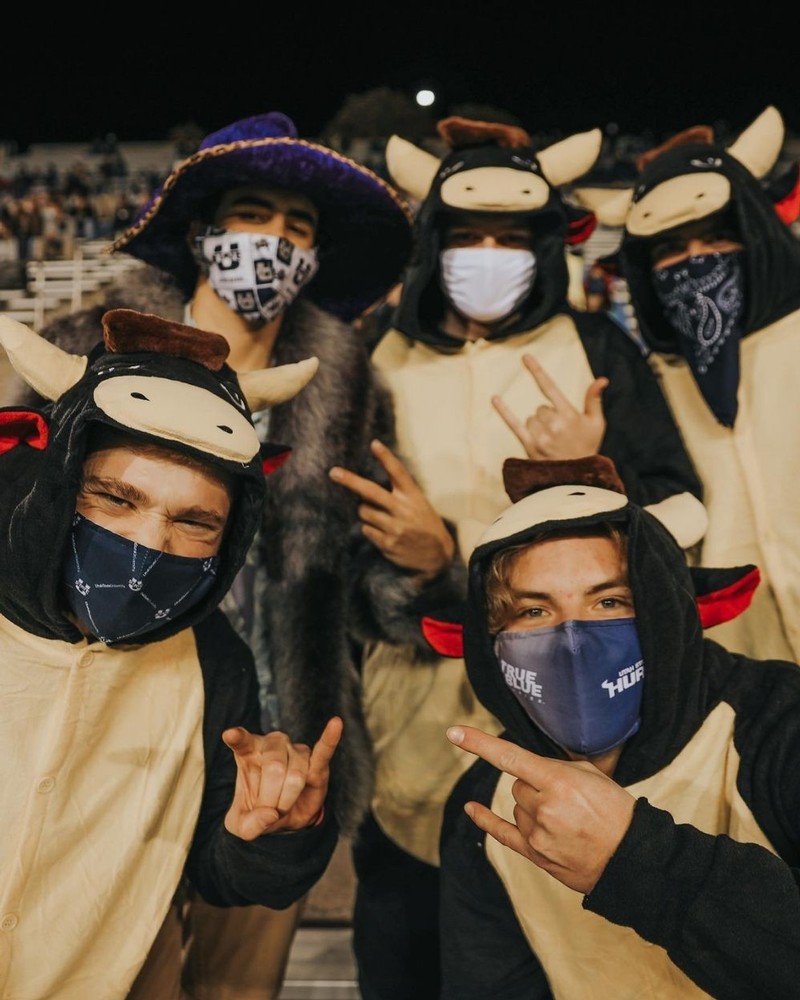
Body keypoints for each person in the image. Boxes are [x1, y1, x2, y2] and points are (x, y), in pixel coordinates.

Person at [4, 111, 449, 999]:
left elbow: (359, 593)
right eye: (254, 215)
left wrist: (424, 565)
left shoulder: (348, 383)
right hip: (102, 731)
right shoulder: (86, 347)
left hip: (262, 745)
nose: (275, 242)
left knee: (239, 989)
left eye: (300, 229)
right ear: (204, 232)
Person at [329, 115, 708, 999]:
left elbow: (685, 515)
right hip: (417, 723)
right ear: (434, 244)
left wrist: (592, 471)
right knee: (411, 956)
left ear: (545, 244)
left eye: (510, 237)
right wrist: (415, 568)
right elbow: (334, 540)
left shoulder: (598, 350)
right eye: (469, 237)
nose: (489, 254)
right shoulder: (374, 355)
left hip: (592, 725)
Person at [0, 307, 342, 1000]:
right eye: (115, 499)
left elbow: (216, 871)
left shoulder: (215, 661)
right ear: (61, 482)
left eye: (194, 521)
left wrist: (267, 835)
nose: (149, 545)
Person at [420, 454, 800, 999]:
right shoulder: (487, 808)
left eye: (609, 600)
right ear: (490, 640)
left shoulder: (778, 724)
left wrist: (636, 858)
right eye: (533, 611)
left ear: (662, 605)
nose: (573, 639)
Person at [572, 105, 800, 662]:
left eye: (716, 238)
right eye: (671, 248)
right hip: (740, 670)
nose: (695, 261)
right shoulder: (650, 380)